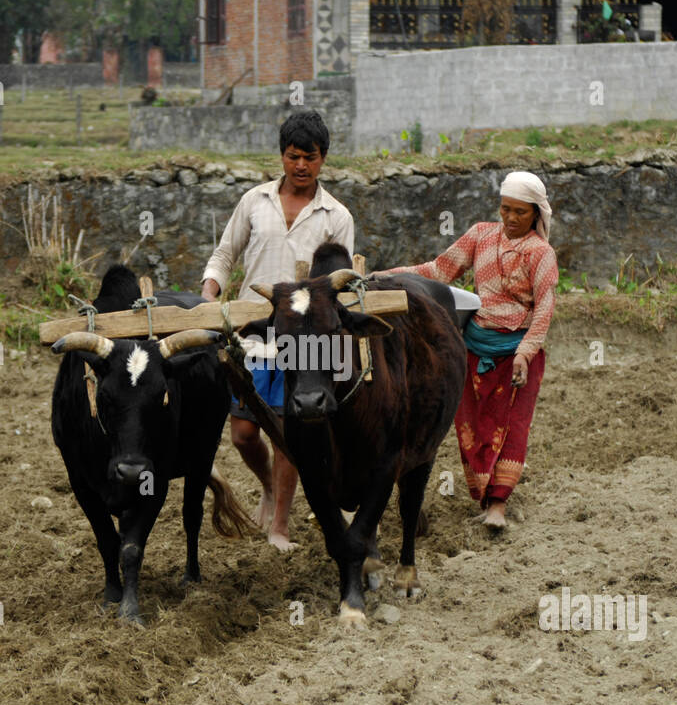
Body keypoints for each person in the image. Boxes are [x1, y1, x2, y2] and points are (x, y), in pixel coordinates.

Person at [200, 110, 355, 551]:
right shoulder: (255, 202)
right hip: (252, 331)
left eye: (310, 157)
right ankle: (267, 486)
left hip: (303, 341)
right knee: (244, 433)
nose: (301, 166)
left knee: (289, 433)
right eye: (293, 156)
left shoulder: (336, 215)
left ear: (323, 159)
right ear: (282, 156)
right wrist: (209, 296)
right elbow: (224, 255)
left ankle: (280, 527)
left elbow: (339, 280)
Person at [380, 171, 557, 530]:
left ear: (536, 214)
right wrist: (386, 278)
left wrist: (525, 353)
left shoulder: (541, 254)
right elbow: (437, 271)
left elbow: (544, 308)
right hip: (473, 349)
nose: (509, 218)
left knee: (513, 427)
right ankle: (482, 490)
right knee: (472, 426)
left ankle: (497, 506)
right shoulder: (480, 235)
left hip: (518, 354)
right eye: (505, 209)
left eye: (519, 212)